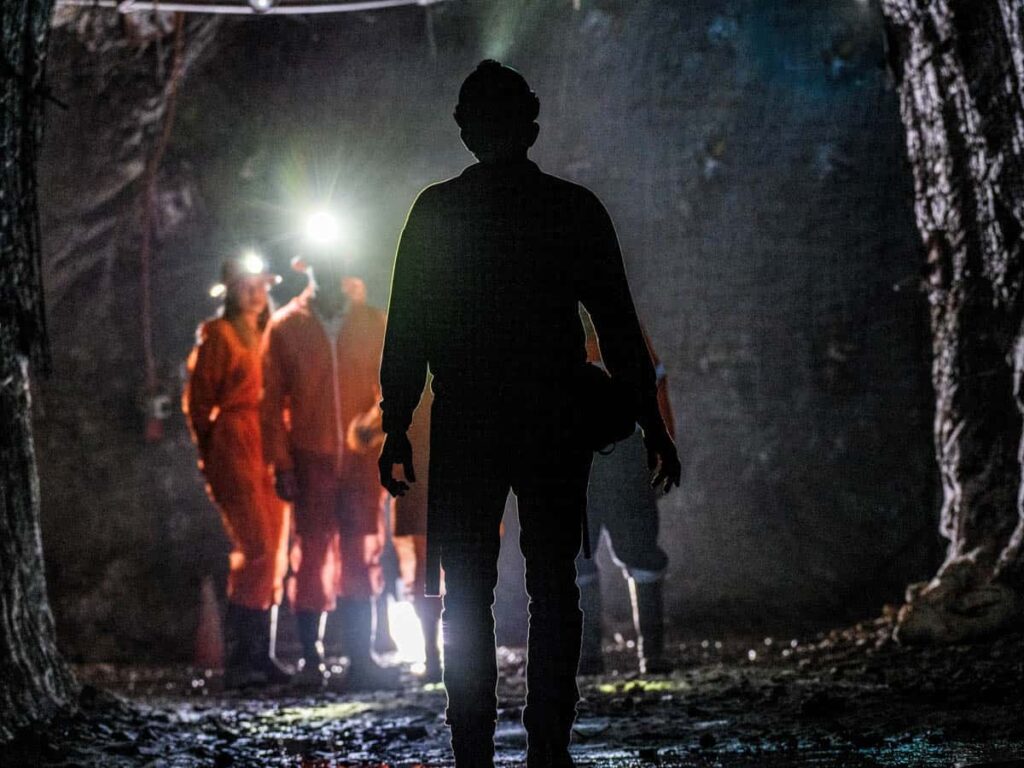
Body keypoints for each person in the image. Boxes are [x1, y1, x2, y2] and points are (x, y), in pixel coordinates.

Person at [378, 60, 681, 768]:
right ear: (532, 126)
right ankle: (549, 745)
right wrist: (648, 419)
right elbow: (616, 323)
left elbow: (408, 331)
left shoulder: (435, 211)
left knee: (467, 590)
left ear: (464, 132)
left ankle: (472, 751)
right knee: (553, 583)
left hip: (468, 419)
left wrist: (397, 423)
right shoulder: (571, 208)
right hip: (551, 415)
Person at [261, 264, 397, 690]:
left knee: (361, 554)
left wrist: (374, 431)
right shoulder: (285, 328)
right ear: (309, 269)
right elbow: (270, 406)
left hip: (360, 462)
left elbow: (393, 388)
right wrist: (282, 465)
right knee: (312, 557)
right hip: (310, 458)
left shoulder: (372, 323)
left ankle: (361, 658)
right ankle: (311, 661)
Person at [183, 257, 291, 688]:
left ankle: (259, 653)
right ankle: (242, 653)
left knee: (274, 549)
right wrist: (212, 451)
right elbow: (198, 402)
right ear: (230, 290)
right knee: (256, 545)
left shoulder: (271, 334)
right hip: (236, 441)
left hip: (269, 441)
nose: (255, 292)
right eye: (245, 285)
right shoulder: (219, 336)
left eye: (260, 284)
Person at [576, 311, 677, 676]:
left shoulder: (621, 323)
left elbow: (655, 384)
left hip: (618, 455)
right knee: (578, 557)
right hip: (582, 458)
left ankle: (641, 655)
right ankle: (594, 656)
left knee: (635, 552)